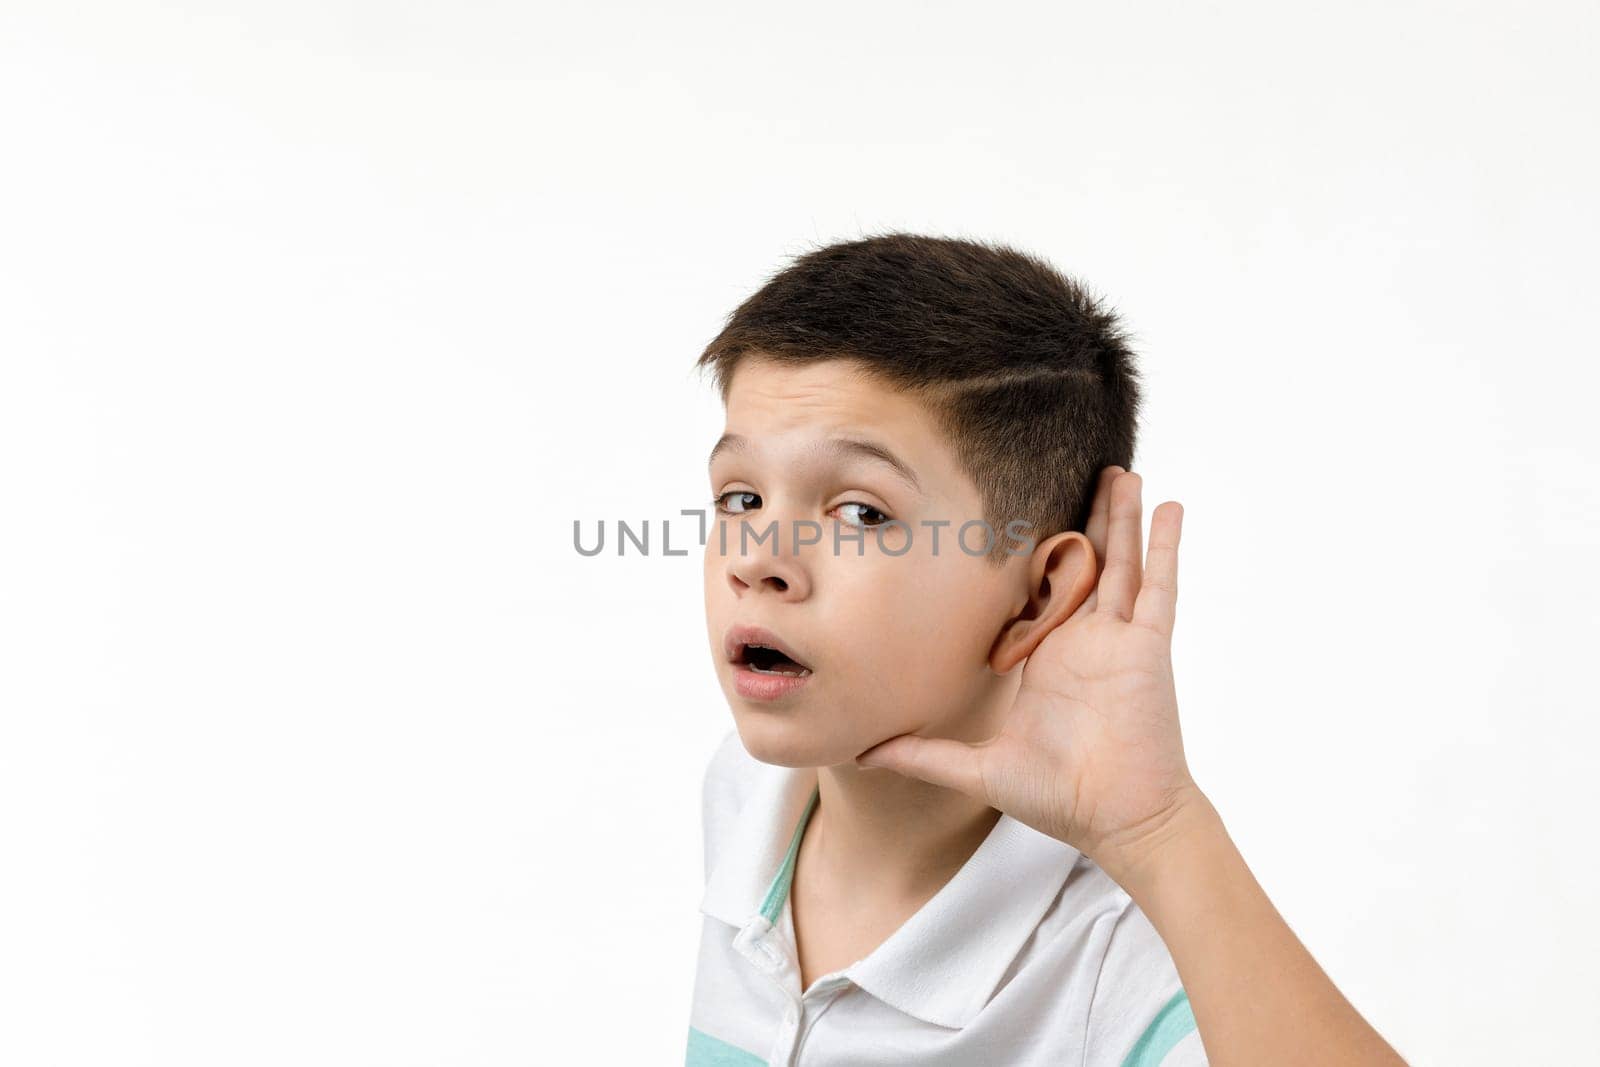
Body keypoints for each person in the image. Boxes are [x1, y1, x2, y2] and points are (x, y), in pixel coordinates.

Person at [685, 233, 1405, 1065]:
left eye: (860, 513)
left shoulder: (1114, 965)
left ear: (1036, 594)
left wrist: (1161, 830)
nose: (755, 558)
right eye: (741, 496)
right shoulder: (743, 799)